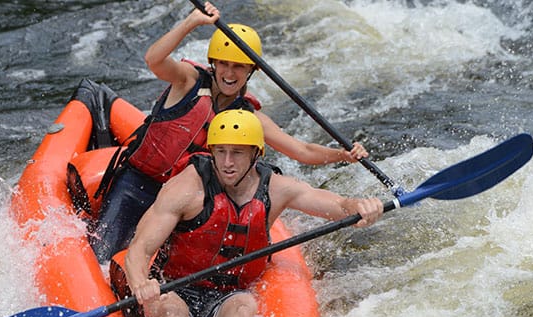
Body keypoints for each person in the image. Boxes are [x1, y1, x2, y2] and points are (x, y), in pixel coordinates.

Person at [89, 1, 369, 263]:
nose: (230, 73)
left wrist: (342, 155)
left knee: (161, 270)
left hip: (186, 203)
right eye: (224, 63)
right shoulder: (188, 80)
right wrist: (191, 23)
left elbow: (301, 150)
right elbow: (153, 59)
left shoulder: (249, 117)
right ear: (214, 63)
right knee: (102, 256)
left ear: (251, 70)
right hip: (138, 184)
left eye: (239, 66)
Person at [123, 109, 383, 317]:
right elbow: (140, 248)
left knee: (243, 309)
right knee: (172, 316)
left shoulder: (276, 189)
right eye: (220, 152)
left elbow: (336, 205)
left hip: (229, 294)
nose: (226, 162)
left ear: (255, 154)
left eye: (236, 153)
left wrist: (358, 208)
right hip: (175, 287)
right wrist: (141, 284)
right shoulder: (187, 188)